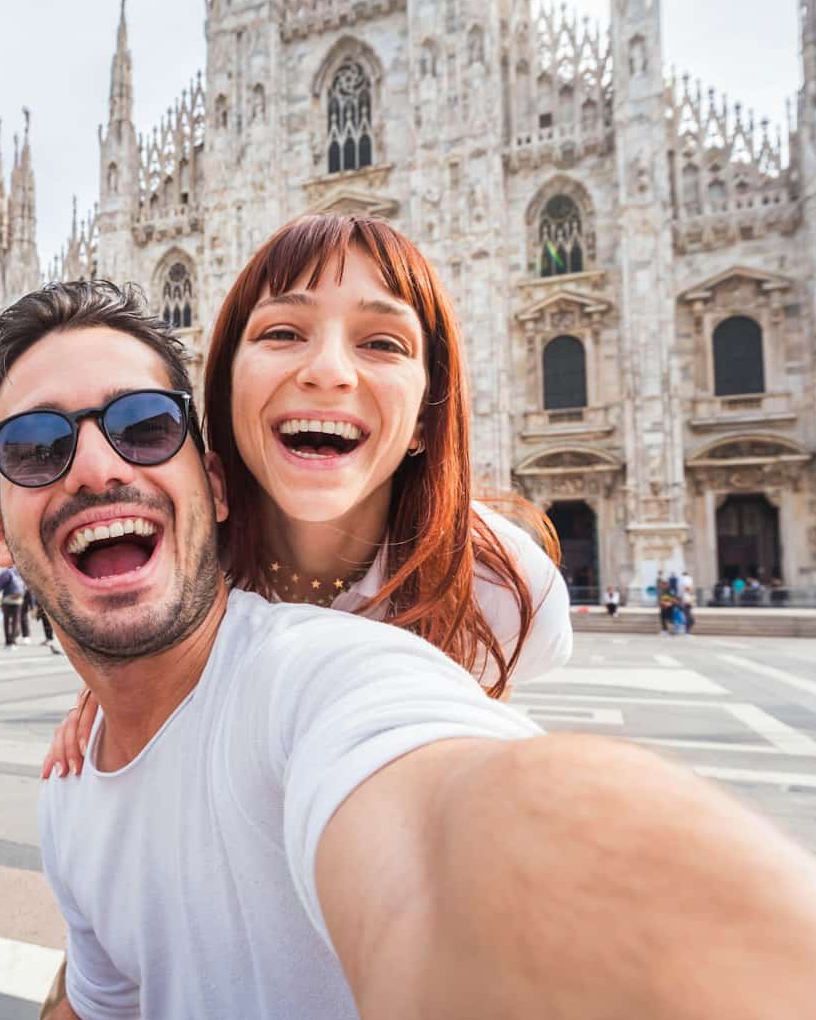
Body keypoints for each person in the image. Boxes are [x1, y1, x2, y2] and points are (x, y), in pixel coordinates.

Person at [0, 280, 816, 1020]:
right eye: (34, 445)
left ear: (211, 479)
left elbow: (461, 831)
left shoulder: (322, 681)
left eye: (142, 427)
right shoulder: (79, 792)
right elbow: (106, 1014)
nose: (90, 466)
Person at [41, 216, 567, 779]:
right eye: (283, 333)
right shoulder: (169, 558)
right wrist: (124, 682)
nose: (328, 372)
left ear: (424, 418)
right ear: (224, 388)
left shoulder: (501, 587)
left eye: (383, 343)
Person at [0, 564, 26, 648]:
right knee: (15, 620)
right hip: (18, 600)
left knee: (6, 620)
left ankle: (8, 641)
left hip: (8, 599)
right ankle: (13, 640)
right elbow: (25, 586)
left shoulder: (6, 573)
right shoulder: (20, 573)